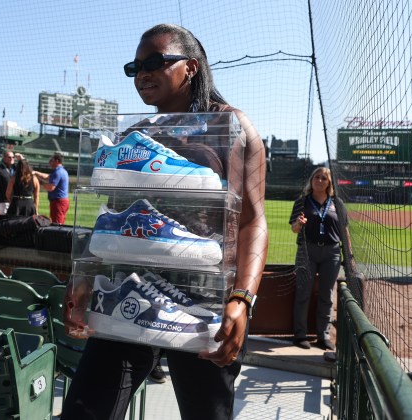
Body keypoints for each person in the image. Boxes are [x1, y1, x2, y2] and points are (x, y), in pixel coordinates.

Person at [61, 24, 268, 420]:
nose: (142, 74)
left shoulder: (232, 127)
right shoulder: (136, 134)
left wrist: (242, 299)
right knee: (84, 412)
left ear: (190, 68)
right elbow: (113, 221)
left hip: (204, 302)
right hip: (129, 294)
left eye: (155, 62)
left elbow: (252, 222)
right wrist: (84, 277)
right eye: (135, 67)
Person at [289, 167, 350, 351]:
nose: (320, 180)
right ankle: (300, 335)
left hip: (331, 253)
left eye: (324, 178)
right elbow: (294, 228)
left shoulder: (337, 203)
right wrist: (299, 223)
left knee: (327, 296)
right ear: (312, 180)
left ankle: (323, 336)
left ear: (329, 182)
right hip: (307, 251)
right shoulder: (302, 202)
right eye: (317, 177)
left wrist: (350, 255)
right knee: (303, 293)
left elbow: (344, 230)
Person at [33, 153, 70, 224]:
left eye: (51, 160)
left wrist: (39, 182)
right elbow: (48, 176)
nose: (50, 162)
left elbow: (51, 187)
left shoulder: (58, 172)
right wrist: (36, 173)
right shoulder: (61, 171)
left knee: (57, 224)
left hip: (58, 202)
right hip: (61, 201)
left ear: (57, 161)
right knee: (59, 221)